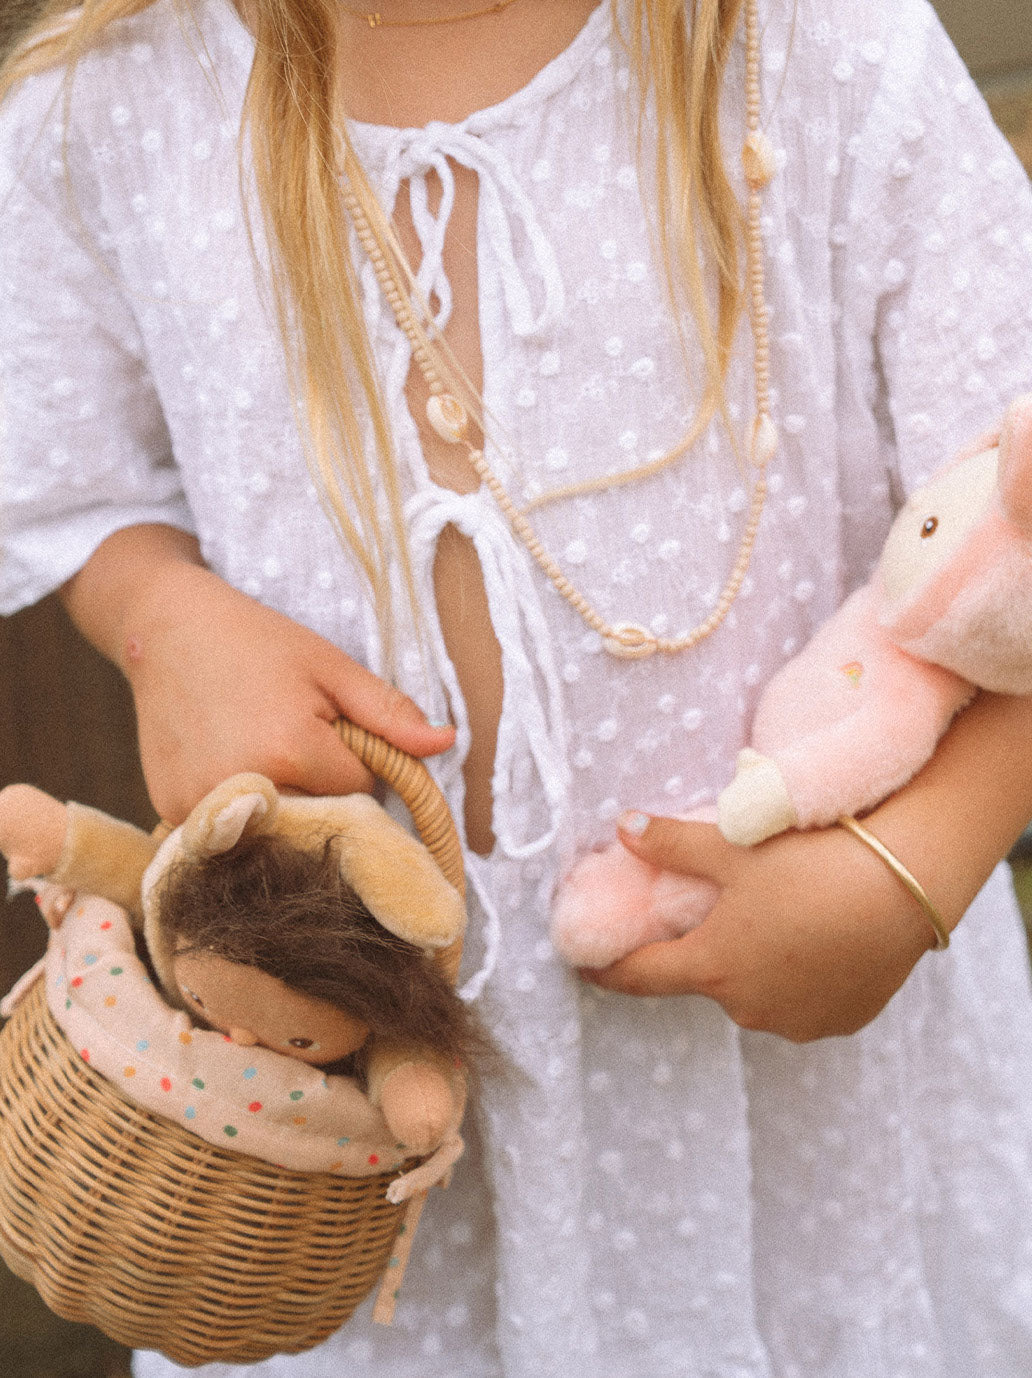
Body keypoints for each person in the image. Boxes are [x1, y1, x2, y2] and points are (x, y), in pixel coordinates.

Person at [2, 0, 1032, 1375]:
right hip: (373, 1144)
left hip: (813, 1133)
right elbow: (72, 477)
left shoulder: (820, 50)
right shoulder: (114, 101)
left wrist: (920, 862)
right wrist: (156, 616)